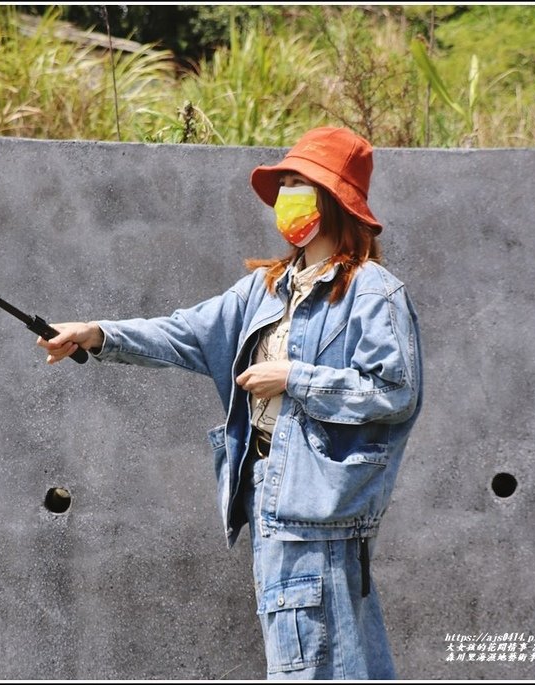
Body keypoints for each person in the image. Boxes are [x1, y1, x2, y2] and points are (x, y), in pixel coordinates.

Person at [37, 127, 423, 680]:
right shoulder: (264, 290)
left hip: (324, 505)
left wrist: (295, 377)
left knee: (318, 662)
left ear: (336, 201)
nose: (287, 195)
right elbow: (182, 333)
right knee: (320, 658)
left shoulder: (373, 292)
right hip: (270, 495)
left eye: (302, 184)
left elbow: (395, 391)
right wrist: (96, 333)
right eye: (284, 183)